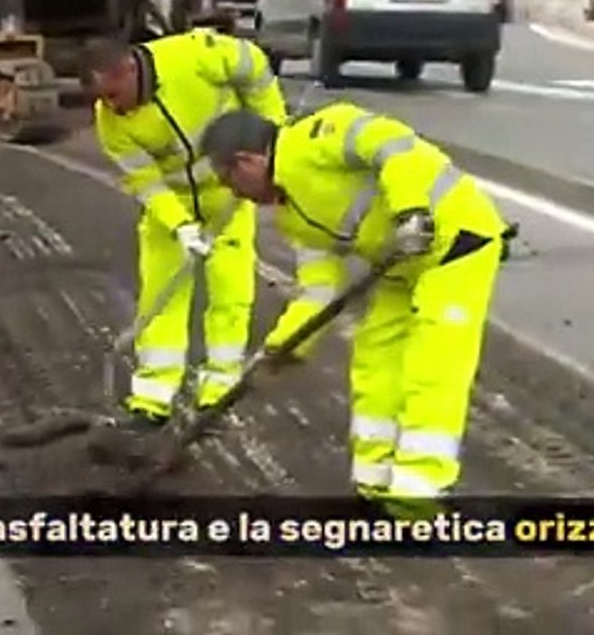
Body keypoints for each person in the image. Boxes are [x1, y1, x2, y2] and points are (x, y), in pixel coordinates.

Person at [197, 102, 511, 513]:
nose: (235, 194)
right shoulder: (292, 216)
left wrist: (411, 211)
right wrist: (282, 348)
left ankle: (418, 491)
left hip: (457, 238)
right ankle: (374, 483)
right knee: (375, 358)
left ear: (247, 160)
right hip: (400, 265)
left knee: (433, 364)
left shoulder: (320, 135)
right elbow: (319, 290)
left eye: (229, 180)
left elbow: (395, 147)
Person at [79, 29, 288, 428]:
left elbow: (256, 68)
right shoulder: (111, 124)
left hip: (228, 196)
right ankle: (153, 397)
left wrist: (272, 135)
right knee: (161, 296)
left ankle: (219, 391)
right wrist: (179, 227)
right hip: (171, 211)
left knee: (231, 292)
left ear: (127, 69)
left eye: (113, 94)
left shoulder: (195, 55)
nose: (111, 106)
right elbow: (145, 182)